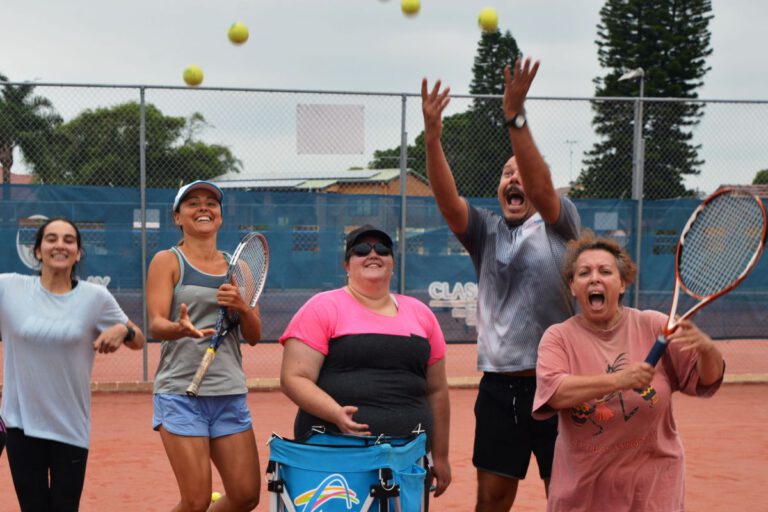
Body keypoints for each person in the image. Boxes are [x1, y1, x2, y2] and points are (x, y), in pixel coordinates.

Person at [421, 57, 581, 510]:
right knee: (490, 504)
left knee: (566, 499)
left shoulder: (560, 224)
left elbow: (543, 187)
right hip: (500, 389)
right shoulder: (486, 232)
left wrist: (515, 116)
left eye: (521, 173)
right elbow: (449, 202)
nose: (513, 178)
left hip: (561, 386)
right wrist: (433, 139)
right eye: (505, 174)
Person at [533, 231, 725, 511]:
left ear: (622, 283)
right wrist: (619, 380)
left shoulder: (655, 325)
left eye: (605, 271)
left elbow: (707, 379)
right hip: (584, 493)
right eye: (584, 272)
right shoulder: (558, 337)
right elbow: (556, 394)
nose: (595, 278)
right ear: (573, 286)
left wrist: (708, 349)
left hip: (653, 491)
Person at [279, 224, 452, 500]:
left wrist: (440, 456)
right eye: (361, 249)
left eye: (382, 249)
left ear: (392, 263)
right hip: (336, 450)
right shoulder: (322, 307)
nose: (373, 254)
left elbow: (437, 390)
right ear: (347, 264)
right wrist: (335, 413)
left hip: (408, 458)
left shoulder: (420, 314)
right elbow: (294, 378)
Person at [0, 217, 145, 511]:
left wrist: (123, 330)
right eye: (51, 239)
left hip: (71, 427)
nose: (60, 245)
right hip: (20, 425)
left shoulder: (95, 298)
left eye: (69, 240)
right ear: (38, 250)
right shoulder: (8, 288)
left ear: (78, 252)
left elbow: (138, 339)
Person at [146, 180, 262, 512]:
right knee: (195, 500)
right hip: (181, 392)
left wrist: (242, 306)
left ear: (220, 217)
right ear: (177, 217)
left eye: (211, 203)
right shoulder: (167, 261)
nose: (203, 208)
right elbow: (155, 324)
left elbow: (253, 335)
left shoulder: (238, 268)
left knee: (245, 496)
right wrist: (179, 329)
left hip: (228, 392)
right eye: (192, 203)